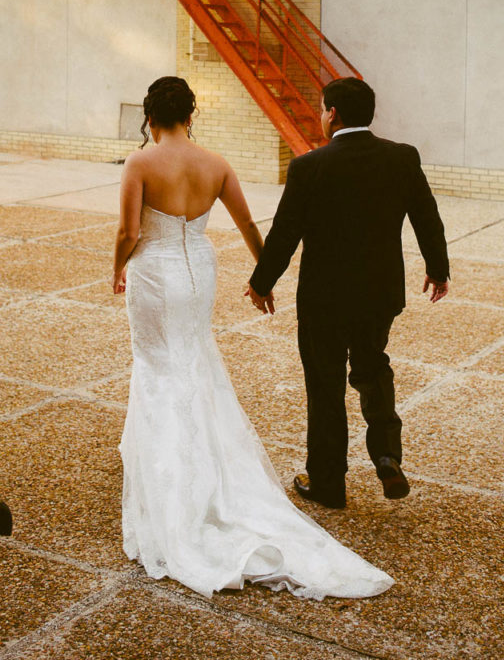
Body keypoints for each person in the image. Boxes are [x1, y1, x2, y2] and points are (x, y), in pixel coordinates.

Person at [113, 75, 393, 600]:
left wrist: (116, 268)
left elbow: (129, 232)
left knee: (156, 364)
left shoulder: (139, 163)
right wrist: (263, 278)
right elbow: (247, 224)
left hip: (154, 273)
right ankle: (203, 459)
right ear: (190, 116)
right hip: (199, 268)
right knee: (194, 357)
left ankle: (165, 465)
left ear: (149, 117)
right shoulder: (216, 164)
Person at [247, 77, 450, 511]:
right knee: (373, 368)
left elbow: (285, 234)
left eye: (322, 109)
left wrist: (261, 283)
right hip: (380, 294)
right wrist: (438, 270)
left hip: (324, 299)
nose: (321, 117)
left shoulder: (309, 166)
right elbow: (426, 217)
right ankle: (387, 455)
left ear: (333, 114)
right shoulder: (401, 157)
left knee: (325, 386)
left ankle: (327, 483)